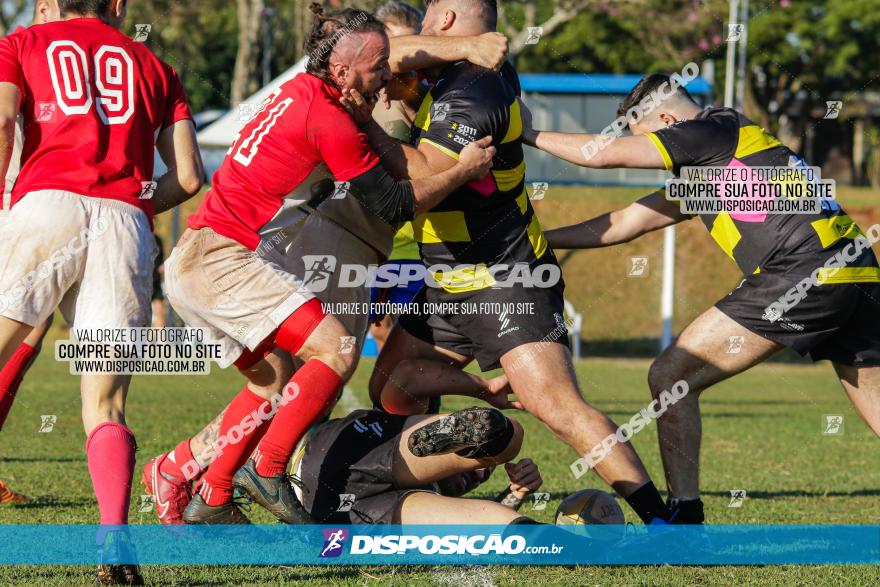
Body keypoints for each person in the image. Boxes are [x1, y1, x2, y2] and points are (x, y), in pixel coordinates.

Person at [141, 6, 511, 527]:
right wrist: (466, 167)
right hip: (225, 262)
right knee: (335, 351)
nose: (390, 74)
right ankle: (265, 469)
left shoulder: (304, 90)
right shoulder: (329, 117)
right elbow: (397, 203)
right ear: (341, 69)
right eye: (380, 63)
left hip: (209, 259)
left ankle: (210, 487)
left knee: (274, 385)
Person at [353, 0, 673, 525]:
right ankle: (423, 492)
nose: (422, 25)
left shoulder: (473, 90)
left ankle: (663, 525)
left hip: (505, 277)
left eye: (430, 12)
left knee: (556, 406)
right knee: (392, 386)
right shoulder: (459, 67)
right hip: (447, 279)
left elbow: (423, 185)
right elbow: (390, 54)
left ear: (448, 19)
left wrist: (362, 127)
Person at [523, 73, 880, 523]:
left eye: (650, 139)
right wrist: (538, 242)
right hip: (855, 269)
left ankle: (684, 516)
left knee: (672, 375)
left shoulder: (712, 129)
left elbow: (604, 155)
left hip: (801, 271)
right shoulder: (720, 158)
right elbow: (626, 223)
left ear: (669, 120)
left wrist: (527, 132)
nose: (656, 155)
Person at [0, 0, 203, 582]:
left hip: (44, 208)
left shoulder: (20, 44)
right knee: (106, 405)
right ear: (116, 6)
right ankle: (114, 543)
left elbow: (4, 121)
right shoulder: (158, 68)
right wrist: (137, 203)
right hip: (124, 224)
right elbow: (189, 177)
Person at [0, 0, 61, 505]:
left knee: (27, 334)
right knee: (24, 330)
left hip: (30, 213)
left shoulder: (51, 55)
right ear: (43, 8)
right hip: (16, 210)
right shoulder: (20, 50)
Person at [291, 406, 543, 525]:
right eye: (479, 467)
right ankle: (488, 438)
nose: (477, 478)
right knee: (511, 439)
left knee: (470, 525)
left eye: (483, 478)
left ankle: (557, 544)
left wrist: (516, 493)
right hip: (326, 455)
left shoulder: (428, 493)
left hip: (328, 516)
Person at [369, 1, 429, 351]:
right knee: (377, 333)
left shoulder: (424, 95)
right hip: (369, 243)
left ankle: (410, 406)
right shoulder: (359, 96)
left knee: (412, 344)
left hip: (416, 245)